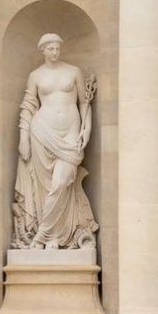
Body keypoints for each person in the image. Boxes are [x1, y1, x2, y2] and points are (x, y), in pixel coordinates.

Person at [12, 33, 99, 250]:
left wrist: (87, 128)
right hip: (41, 133)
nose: (55, 52)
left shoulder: (73, 72)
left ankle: (41, 236)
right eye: (50, 48)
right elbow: (28, 106)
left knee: (61, 182)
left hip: (70, 134)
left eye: (57, 48)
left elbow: (83, 102)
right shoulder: (36, 76)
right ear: (43, 50)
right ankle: (52, 237)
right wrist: (23, 138)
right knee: (46, 188)